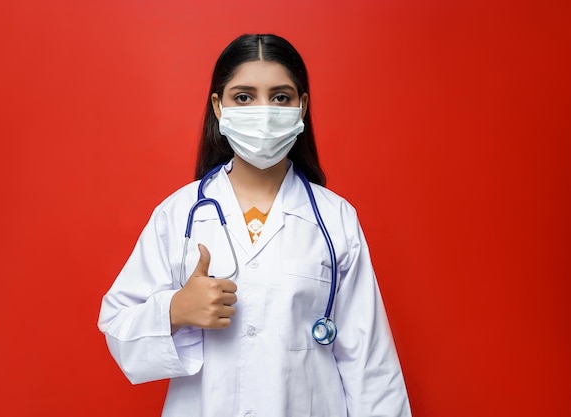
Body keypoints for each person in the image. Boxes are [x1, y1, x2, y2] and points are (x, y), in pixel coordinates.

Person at [98, 33, 411, 417]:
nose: (264, 111)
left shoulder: (335, 218)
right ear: (219, 106)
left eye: (280, 97)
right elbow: (117, 325)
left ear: (302, 106)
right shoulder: (179, 214)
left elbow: (370, 365)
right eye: (243, 97)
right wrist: (174, 309)